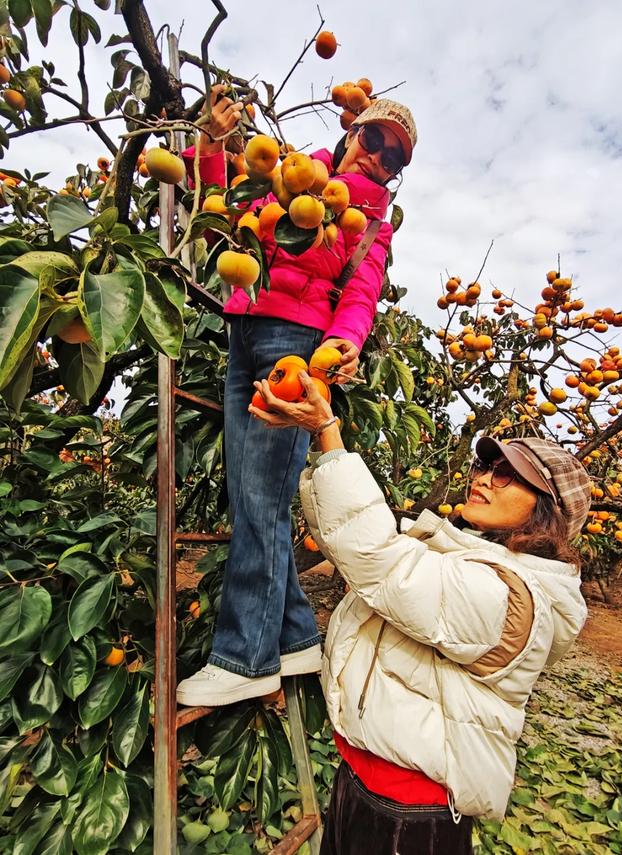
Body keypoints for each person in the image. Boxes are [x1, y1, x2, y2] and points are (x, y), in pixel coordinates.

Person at [248, 372, 591, 854]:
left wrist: (330, 432)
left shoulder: (511, 599)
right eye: (485, 467)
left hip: (408, 817)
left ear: (548, 509)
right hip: (367, 785)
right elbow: (351, 547)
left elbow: (377, 561)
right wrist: (321, 449)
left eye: (509, 476)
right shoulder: (473, 561)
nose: (484, 479)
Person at [177, 87, 417, 706]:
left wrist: (342, 346)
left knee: (260, 499)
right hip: (245, 325)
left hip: (295, 344)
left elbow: (360, 295)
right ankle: (294, 639)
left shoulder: (370, 225)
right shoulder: (297, 173)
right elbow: (235, 218)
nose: (378, 159)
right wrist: (210, 145)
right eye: (374, 140)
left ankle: (246, 657)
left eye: (394, 158)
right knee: (251, 495)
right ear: (352, 134)